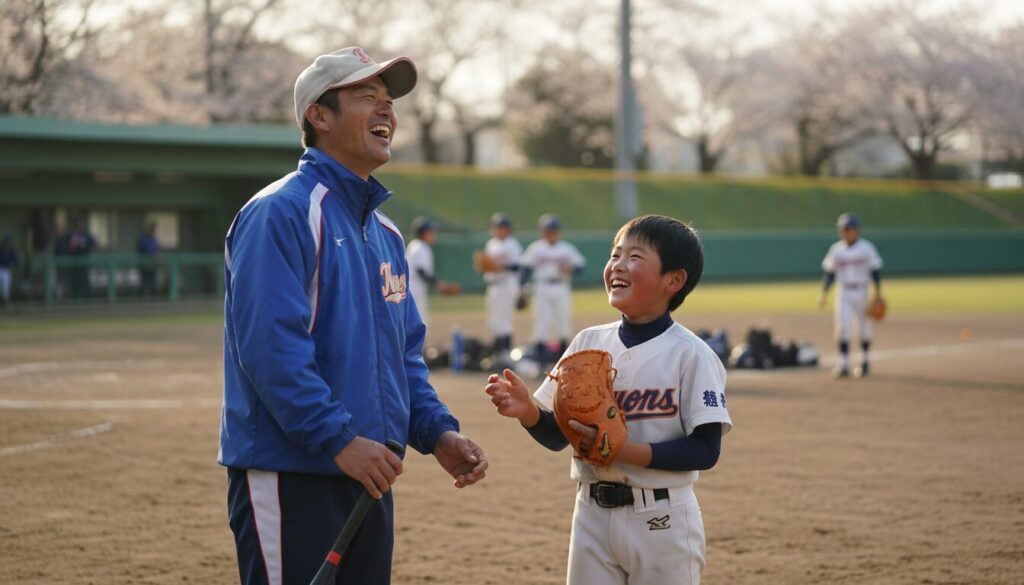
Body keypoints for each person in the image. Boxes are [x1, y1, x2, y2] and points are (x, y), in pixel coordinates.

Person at [219, 46, 488, 585]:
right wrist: (338, 439)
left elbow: (402, 357)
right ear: (319, 115)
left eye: (389, 101)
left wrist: (436, 432)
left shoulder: (385, 234)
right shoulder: (280, 212)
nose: (386, 111)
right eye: (367, 97)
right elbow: (272, 351)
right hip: (294, 472)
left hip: (367, 473)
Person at [485, 214, 733, 585]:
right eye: (615, 254)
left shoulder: (691, 355)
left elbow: (705, 450)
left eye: (635, 256)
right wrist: (529, 414)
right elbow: (560, 436)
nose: (618, 264)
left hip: (661, 519)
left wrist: (624, 449)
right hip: (590, 514)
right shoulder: (588, 342)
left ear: (674, 280)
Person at [819, 212, 883, 378]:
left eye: (850, 228)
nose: (847, 232)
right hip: (844, 292)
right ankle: (844, 364)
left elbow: (875, 270)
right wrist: (824, 293)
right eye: (844, 229)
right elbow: (829, 273)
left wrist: (878, 293)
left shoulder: (866, 248)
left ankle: (865, 361)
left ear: (857, 230)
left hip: (862, 290)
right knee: (843, 328)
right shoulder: (836, 250)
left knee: (864, 329)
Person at [519, 213, 586, 370]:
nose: (551, 233)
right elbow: (524, 268)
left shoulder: (566, 248)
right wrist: (521, 288)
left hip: (562, 287)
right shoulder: (536, 248)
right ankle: (541, 365)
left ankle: (563, 365)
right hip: (542, 288)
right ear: (542, 232)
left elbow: (581, 266)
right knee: (541, 326)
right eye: (548, 230)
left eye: (553, 230)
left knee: (564, 325)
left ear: (558, 232)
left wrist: (572, 269)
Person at [479, 212, 523, 369]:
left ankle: (506, 356)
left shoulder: (512, 244)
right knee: (494, 323)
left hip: (506, 286)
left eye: (503, 228)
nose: (500, 230)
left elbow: (517, 265)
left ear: (509, 230)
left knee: (505, 322)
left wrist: (499, 267)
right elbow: (487, 267)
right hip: (493, 286)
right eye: (497, 227)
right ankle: (497, 356)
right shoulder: (491, 244)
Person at [405, 216, 458, 329]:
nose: (434, 234)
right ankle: (420, 346)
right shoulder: (419, 247)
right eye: (431, 231)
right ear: (424, 233)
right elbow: (421, 272)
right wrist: (439, 285)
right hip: (415, 289)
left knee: (418, 321)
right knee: (418, 321)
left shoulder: (417, 246)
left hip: (415, 287)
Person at [59, 217, 96, 299]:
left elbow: (94, 243)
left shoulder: (86, 235)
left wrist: (90, 252)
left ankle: (86, 298)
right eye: (79, 224)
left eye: (82, 224)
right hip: (73, 262)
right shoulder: (71, 235)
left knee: (84, 281)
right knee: (74, 281)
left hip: (84, 262)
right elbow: (65, 246)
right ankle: (74, 298)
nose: (80, 226)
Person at [136, 222, 162, 298]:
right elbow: (148, 249)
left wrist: (158, 254)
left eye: (154, 229)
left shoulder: (153, 238)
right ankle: (142, 303)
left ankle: (153, 302)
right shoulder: (142, 238)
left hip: (152, 265)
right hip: (144, 266)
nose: (154, 231)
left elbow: (158, 248)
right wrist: (155, 254)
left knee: (153, 285)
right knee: (144, 285)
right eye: (152, 229)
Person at [0, 235, 17, 306]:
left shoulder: (11, 251)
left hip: (7, 270)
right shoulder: (1, 250)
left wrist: (11, 262)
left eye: (8, 242)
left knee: (6, 284)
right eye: (6, 242)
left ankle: (5, 300)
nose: (7, 244)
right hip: (0, 268)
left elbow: (15, 261)